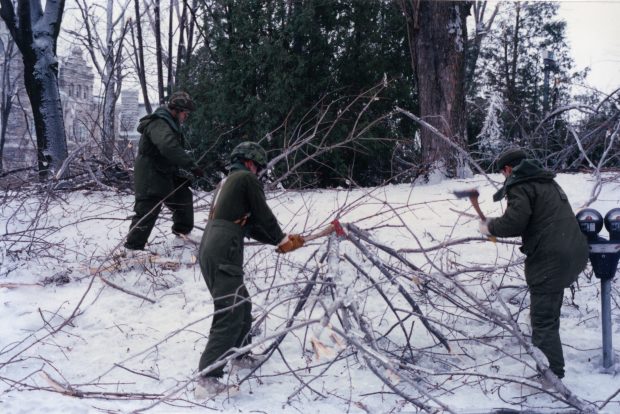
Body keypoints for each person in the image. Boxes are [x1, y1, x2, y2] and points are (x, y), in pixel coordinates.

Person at [195, 141, 304, 396]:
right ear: (249, 162)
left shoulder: (228, 181)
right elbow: (262, 214)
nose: (259, 172)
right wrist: (280, 238)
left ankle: (240, 356)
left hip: (213, 244)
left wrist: (281, 240)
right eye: (258, 167)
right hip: (224, 248)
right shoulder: (246, 179)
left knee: (242, 304)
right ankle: (208, 378)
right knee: (230, 310)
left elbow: (251, 224)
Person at [479, 147, 588, 381]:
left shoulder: (521, 184)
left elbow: (514, 223)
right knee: (549, 312)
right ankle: (552, 366)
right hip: (572, 252)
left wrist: (489, 227)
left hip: (551, 258)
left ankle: (552, 375)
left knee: (542, 321)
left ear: (508, 169)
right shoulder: (544, 181)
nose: (504, 178)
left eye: (503, 173)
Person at [123, 91, 204, 252]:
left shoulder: (169, 123)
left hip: (164, 174)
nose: (185, 116)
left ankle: (182, 236)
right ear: (176, 110)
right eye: (185, 113)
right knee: (147, 211)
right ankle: (132, 250)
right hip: (150, 175)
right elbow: (168, 146)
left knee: (182, 196)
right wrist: (191, 165)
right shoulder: (159, 123)